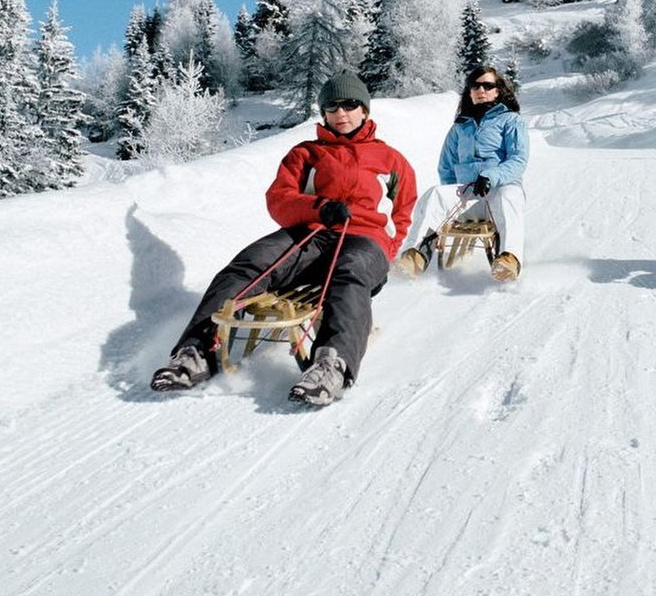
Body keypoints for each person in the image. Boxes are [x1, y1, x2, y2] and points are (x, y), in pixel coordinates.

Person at [150, 70, 418, 405]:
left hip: (364, 239)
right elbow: (279, 199)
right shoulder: (306, 153)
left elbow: (403, 209)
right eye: (332, 106)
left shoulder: (391, 160)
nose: (341, 113)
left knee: (350, 272)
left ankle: (332, 365)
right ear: (323, 113)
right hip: (310, 233)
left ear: (364, 110)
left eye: (350, 104)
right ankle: (195, 351)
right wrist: (319, 208)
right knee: (250, 262)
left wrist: (389, 248)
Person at [399, 65, 528, 282]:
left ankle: (509, 259)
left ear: (498, 90)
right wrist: (455, 195)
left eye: (488, 85)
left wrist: (491, 177)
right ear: (469, 91)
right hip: (469, 196)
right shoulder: (460, 127)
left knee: (509, 195)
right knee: (435, 194)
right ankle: (416, 255)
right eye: (475, 86)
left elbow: (518, 160)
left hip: (498, 192)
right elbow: (446, 167)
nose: (481, 90)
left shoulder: (510, 121)